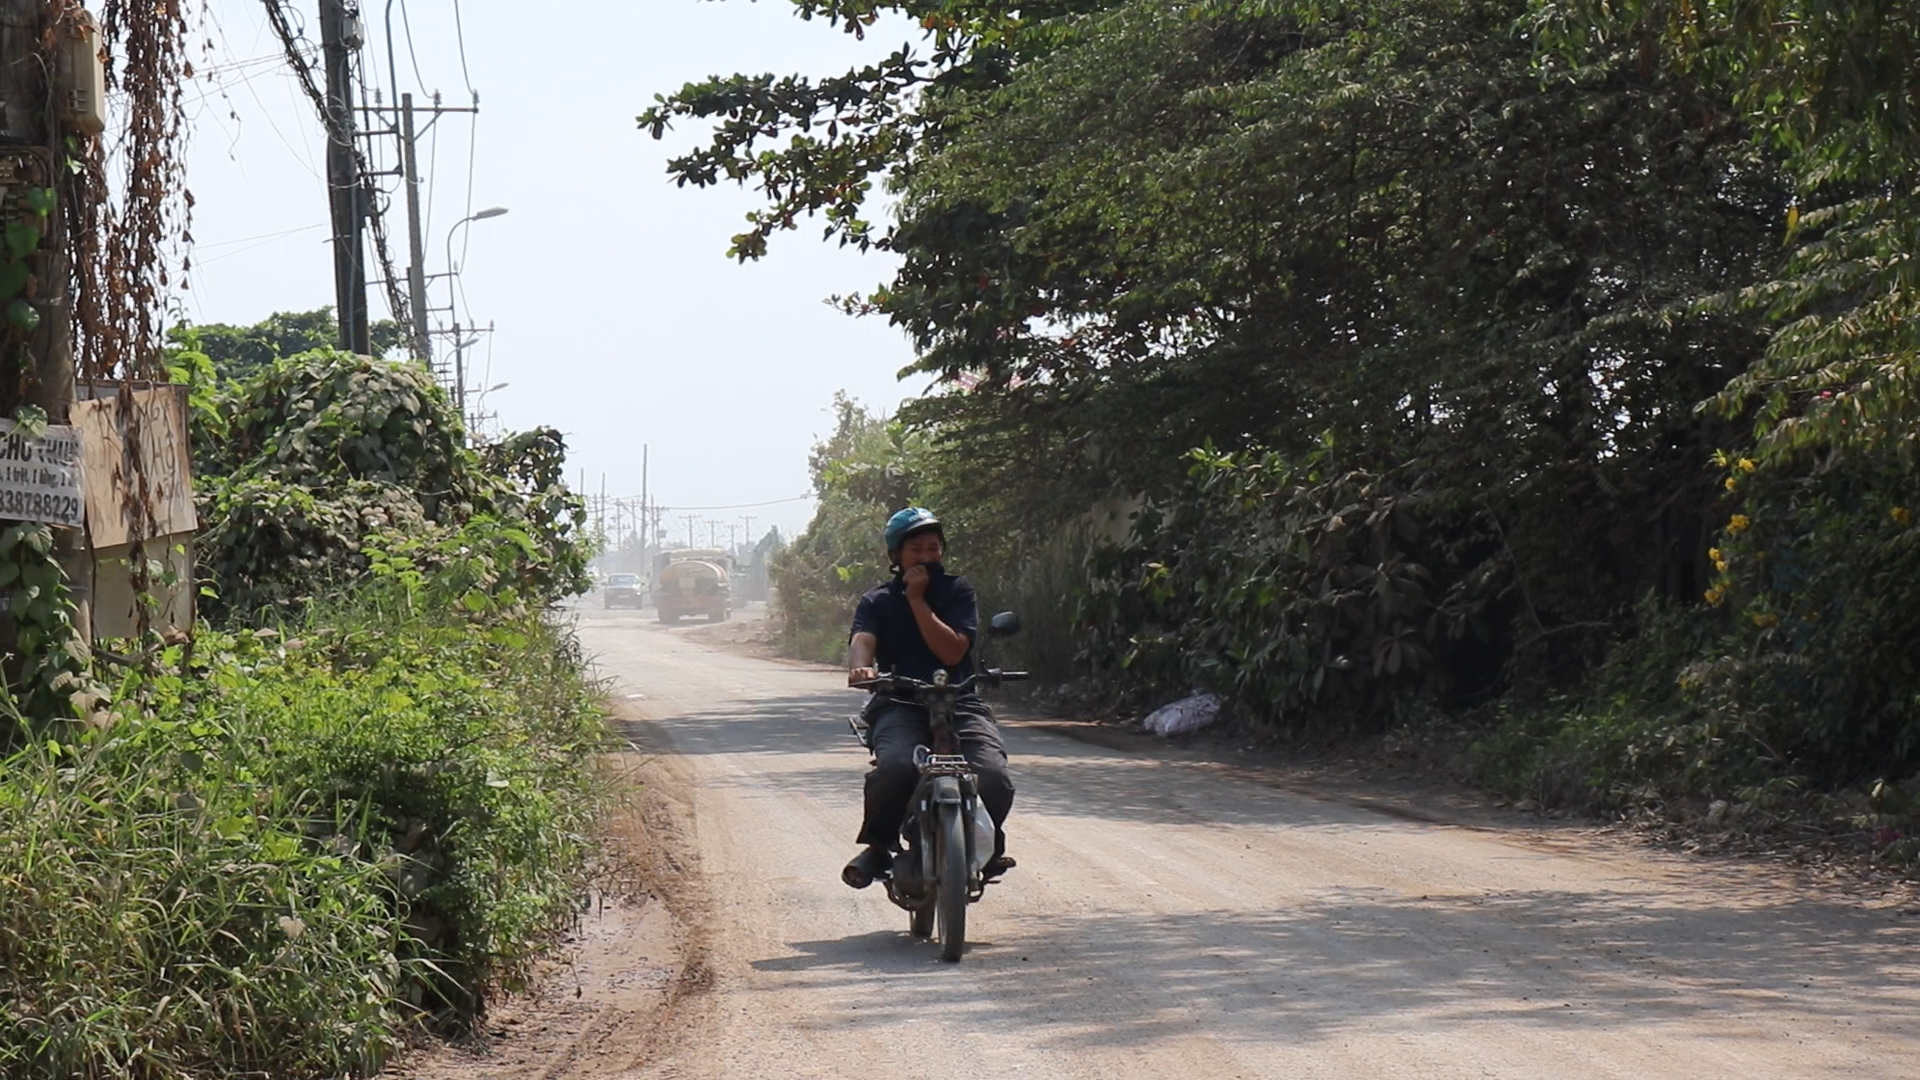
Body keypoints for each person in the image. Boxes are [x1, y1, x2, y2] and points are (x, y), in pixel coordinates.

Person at [842, 506, 1016, 889]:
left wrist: (919, 601)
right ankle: (878, 845)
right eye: (916, 549)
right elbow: (863, 640)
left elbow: (953, 653)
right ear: (896, 557)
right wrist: (861, 667)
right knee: (895, 769)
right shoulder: (878, 601)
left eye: (933, 548)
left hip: (959, 701)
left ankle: (988, 845)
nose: (926, 557)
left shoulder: (957, 591)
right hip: (899, 702)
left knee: (992, 775)